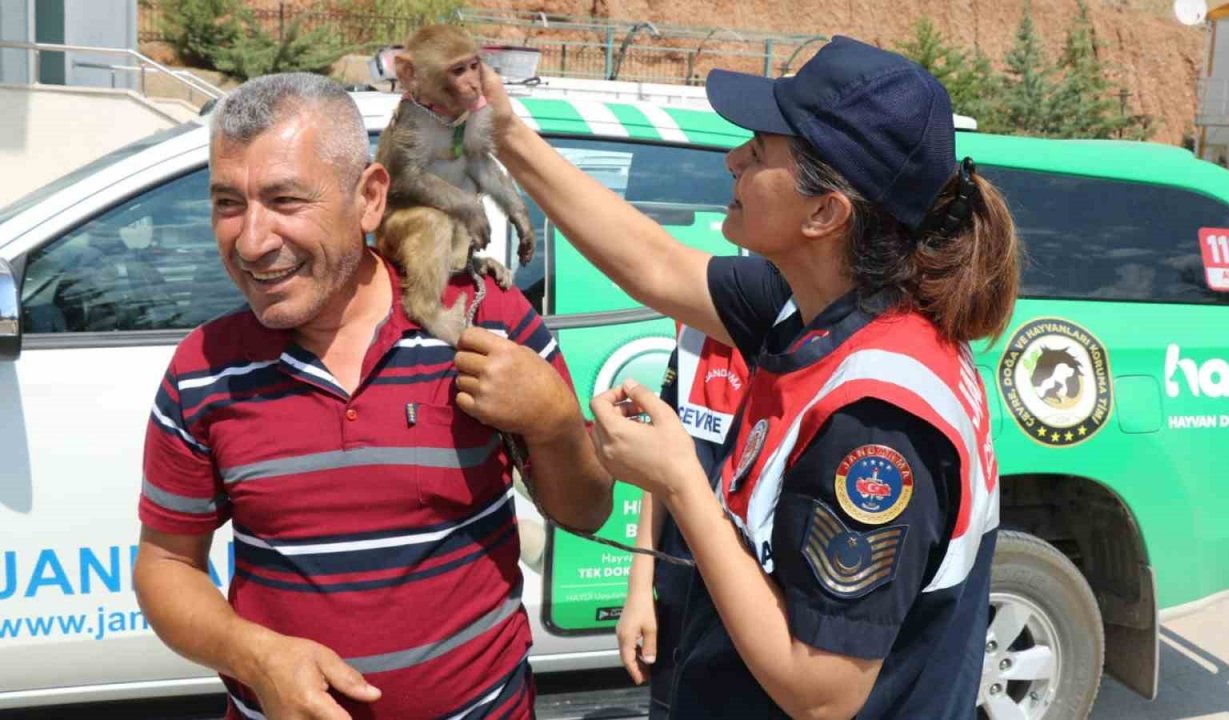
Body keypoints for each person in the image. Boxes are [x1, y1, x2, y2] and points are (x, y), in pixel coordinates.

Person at [484, 36, 1020, 718]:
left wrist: (680, 479)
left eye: (761, 151)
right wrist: (502, 130)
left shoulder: (876, 417)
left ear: (826, 214)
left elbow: (823, 692)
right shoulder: (814, 303)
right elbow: (656, 266)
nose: (733, 159)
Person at [132, 73, 613, 720]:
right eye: (227, 203)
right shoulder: (203, 371)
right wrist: (257, 657)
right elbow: (165, 567)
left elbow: (586, 512)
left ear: (369, 198)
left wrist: (556, 423)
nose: (251, 241)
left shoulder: (483, 320)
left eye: (285, 200)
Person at [615, 324, 752, 717]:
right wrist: (639, 587)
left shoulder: (804, 332)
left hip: (762, 612)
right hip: (682, 601)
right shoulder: (696, 335)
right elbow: (661, 466)